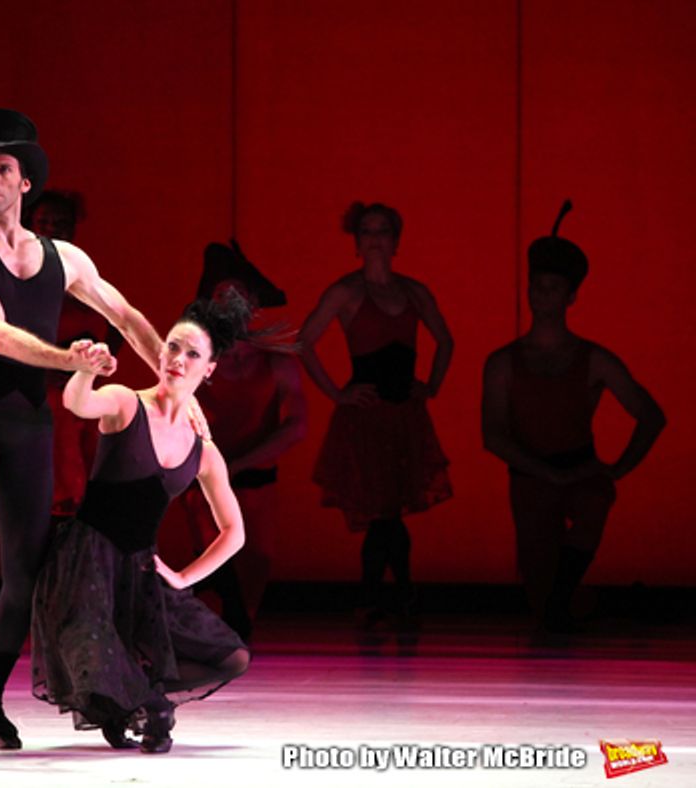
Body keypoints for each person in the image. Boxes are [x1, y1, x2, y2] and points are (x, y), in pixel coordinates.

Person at [0, 109, 171, 758]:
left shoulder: (62, 258)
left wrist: (169, 373)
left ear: (25, 182)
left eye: (1, 169)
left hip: (26, 419)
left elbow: (125, 311)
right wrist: (71, 359)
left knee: (27, 571)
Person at [32, 294, 252, 755]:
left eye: (193, 354)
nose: (178, 359)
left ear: (209, 369)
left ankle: (135, 697)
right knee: (94, 660)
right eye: (173, 347)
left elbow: (235, 531)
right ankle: (144, 704)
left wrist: (184, 576)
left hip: (140, 571)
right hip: (86, 562)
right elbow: (78, 403)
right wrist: (89, 366)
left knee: (232, 657)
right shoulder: (125, 403)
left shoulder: (204, 451)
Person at [482, 201, 665, 632]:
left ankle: (570, 606)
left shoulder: (593, 359)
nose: (542, 295)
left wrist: (615, 469)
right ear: (528, 290)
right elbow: (493, 435)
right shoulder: (503, 362)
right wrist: (546, 472)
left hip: (580, 471)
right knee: (542, 595)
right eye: (536, 286)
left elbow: (651, 415)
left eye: (552, 287)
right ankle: (598, 607)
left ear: (571, 296)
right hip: (530, 476)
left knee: (592, 508)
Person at [299, 202, 453, 626]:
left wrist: (432, 386)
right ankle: (392, 595)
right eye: (367, 231)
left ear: (395, 239)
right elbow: (303, 342)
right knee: (384, 514)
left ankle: (383, 597)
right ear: (357, 241)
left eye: (382, 230)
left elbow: (446, 341)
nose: (374, 238)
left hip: (404, 415)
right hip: (367, 418)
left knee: (388, 513)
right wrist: (337, 394)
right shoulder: (346, 292)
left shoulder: (414, 291)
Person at [181, 240, 306, 641]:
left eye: (239, 294)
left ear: (253, 304)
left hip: (256, 482)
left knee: (255, 566)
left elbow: (296, 425)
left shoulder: (277, 362)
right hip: (203, 480)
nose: (230, 301)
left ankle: (227, 635)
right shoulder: (193, 358)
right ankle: (218, 635)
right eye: (221, 294)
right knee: (217, 560)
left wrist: (238, 465)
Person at [24, 189, 125, 521]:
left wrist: (92, 366)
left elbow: (116, 330)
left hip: (86, 400)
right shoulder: (20, 282)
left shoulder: (85, 278)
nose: (54, 229)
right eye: (45, 222)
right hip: (44, 403)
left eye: (62, 223)